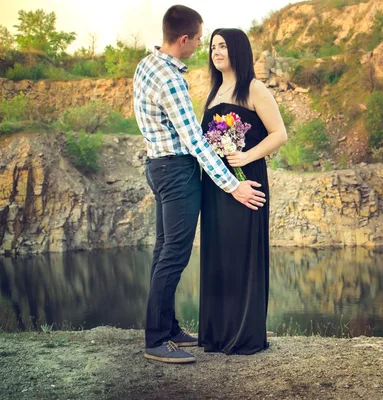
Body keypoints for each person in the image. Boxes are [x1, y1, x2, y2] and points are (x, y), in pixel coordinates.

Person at [133, 6, 266, 364]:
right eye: (201, 40)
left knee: (164, 249)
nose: (203, 47)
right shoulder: (172, 79)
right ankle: (157, 339)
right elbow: (194, 140)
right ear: (184, 39)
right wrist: (232, 185)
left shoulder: (147, 65)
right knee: (174, 254)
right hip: (177, 171)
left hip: (157, 166)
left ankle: (169, 326)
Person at [199, 28, 287, 355]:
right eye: (212, 47)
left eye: (222, 46)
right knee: (218, 254)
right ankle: (217, 335)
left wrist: (246, 155)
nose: (216, 51)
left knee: (241, 253)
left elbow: (280, 134)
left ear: (237, 49)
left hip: (246, 178)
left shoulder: (254, 88)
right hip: (217, 184)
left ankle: (245, 336)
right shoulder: (214, 91)